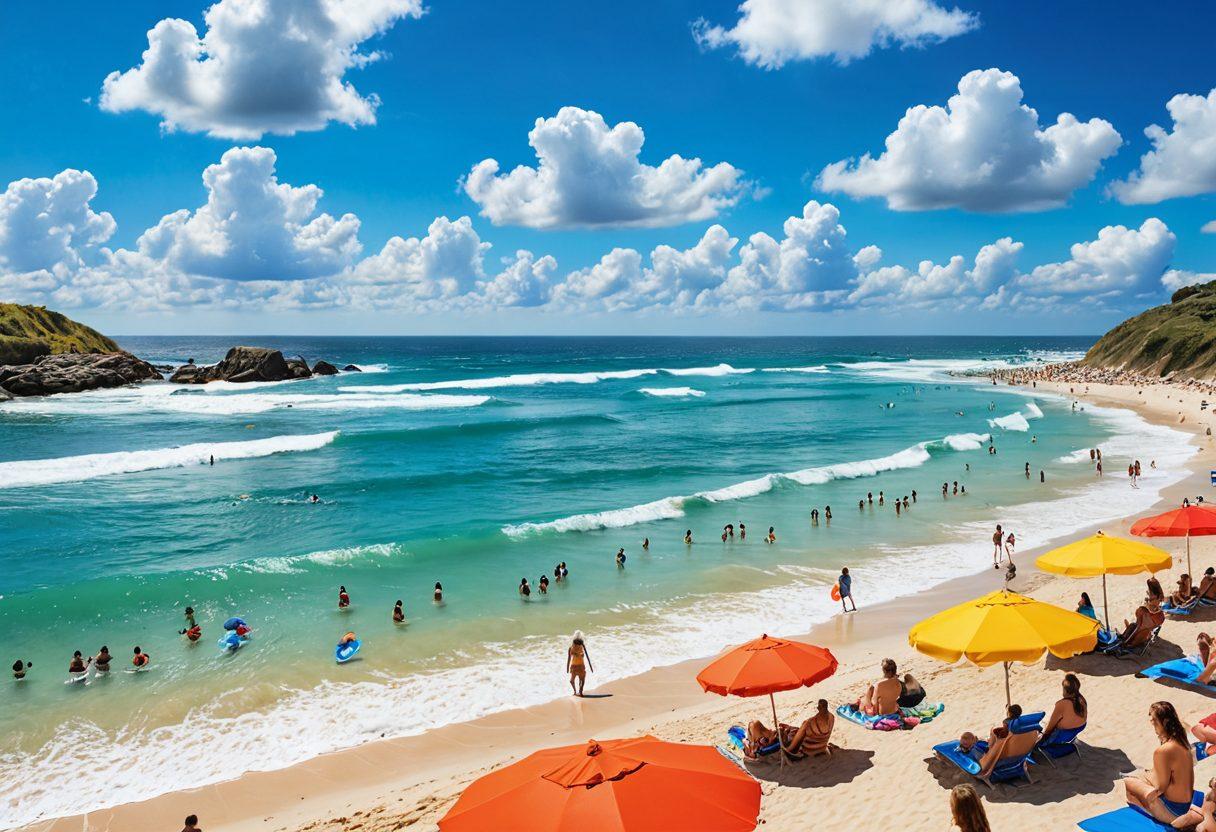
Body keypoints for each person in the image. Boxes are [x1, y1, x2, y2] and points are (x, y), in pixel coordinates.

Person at [1125, 701, 1196, 823]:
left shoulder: (1163, 751)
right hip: (1186, 804)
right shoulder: (1181, 740)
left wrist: (1147, 778)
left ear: (1164, 722)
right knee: (1144, 778)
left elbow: (1160, 789)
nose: (1152, 724)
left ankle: (1150, 815)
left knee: (1128, 782)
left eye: (1154, 721)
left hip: (1173, 810)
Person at [955, 703, 1040, 777]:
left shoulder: (1008, 739)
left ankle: (969, 746)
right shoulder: (1030, 728)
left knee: (976, 747)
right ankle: (972, 743)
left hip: (1002, 761)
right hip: (1021, 756)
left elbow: (992, 747)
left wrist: (993, 737)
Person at [1042, 673, 1087, 741]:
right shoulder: (1082, 699)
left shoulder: (1062, 704)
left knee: (1042, 724)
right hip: (1078, 728)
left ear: (1065, 690)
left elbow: (1050, 727)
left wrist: (1043, 735)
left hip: (1061, 734)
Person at [567, 631, 593, 696]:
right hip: (575, 666)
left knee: (580, 680)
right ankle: (576, 691)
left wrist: (567, 667)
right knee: (575, 680)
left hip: (578, 666)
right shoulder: (571, 648)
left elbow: (584, 655)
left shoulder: (580, 646)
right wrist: (567, 667)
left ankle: (579, 691)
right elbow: (569, 658)